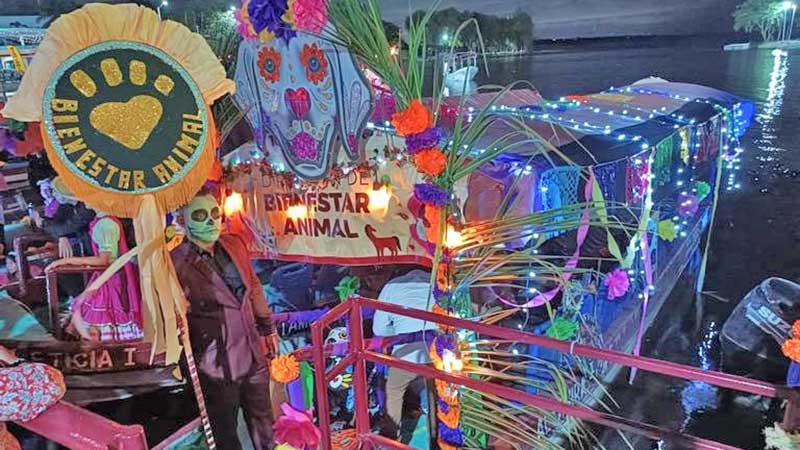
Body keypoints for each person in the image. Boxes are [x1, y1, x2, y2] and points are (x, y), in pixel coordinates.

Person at [171, 189, 279, 450]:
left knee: (266, 426)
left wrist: (267, 329)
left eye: (214, 213)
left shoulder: (235, 244)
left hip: (253, 351)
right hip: (215, 362)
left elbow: (253, 287)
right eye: (200, 215)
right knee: (225, 432)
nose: (210, 221)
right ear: (183, 221)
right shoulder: (175, 262)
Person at [46, 209, 143, 343]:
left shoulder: (106, 223)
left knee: (84, 313)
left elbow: (105, 260)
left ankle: (99, 348)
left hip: (111, 279)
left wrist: (67, 260)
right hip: (105, 276)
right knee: (77, 311)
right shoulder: (101, 221)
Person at [372, 266, 437, 442]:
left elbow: (379, 329)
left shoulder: (392, 286)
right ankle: (435, 437)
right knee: (434, 391)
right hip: (436, 352)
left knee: (393, 390)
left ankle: (392, 439)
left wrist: (399, 330)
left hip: (405, 353)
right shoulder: (438, 282)